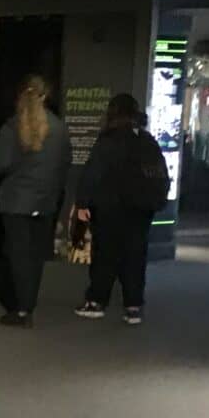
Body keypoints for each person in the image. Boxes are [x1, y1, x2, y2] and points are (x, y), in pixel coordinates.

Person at [0, 75, 72, 328]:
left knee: (17, 256)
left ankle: (20, 308)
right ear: (46, 96)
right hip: (45, 201)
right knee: (35, 257)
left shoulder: (11, 127)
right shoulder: (59, 129)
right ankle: (28, 306)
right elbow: (65, 165)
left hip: (16, 202)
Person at [74, 94, 160, 326]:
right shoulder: (146, 140)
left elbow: (92, 174)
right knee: (135, 256)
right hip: (141, 209)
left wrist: (82, 203)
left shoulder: (108, 140)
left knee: (105, 255)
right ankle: (133, 306)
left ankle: (96, 301)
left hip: (109, 208)